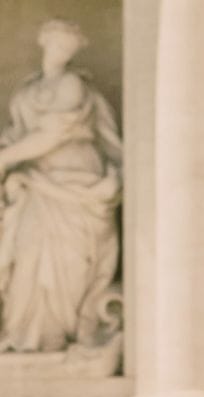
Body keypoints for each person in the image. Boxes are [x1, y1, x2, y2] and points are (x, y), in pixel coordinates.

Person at [0, 20, 122, 354]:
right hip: (36, 187)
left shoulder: (73, 85)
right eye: (57, 43)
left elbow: (54, 134)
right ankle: (27, 336)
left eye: (69, 45)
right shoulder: (26, 91)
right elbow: (17, 134)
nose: (62, 50)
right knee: (27, 259)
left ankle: (60, 336)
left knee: (68, 262)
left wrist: (6, 158)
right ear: (44, 42)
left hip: (75, 183)